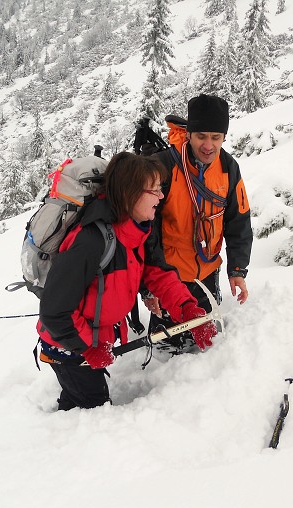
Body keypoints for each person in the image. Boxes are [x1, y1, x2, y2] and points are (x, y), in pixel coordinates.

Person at [36, 152, 217, 410]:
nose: (161, 196)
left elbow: (158, 275)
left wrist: (188, 309)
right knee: (93, 410)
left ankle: (61, 417)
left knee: (78, 404)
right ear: (131, 194)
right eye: (154, 189)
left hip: (90, 341)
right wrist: (87, 348)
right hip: (69, 347)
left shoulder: (137, 231)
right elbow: (54, 311)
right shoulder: (91, 242)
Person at [144, 94, 253, 354]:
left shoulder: (228, 167)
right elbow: (146, 233)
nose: (208, 145)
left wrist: (237, 269)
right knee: (167, 354)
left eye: (216, 137)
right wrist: (151, 287)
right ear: (189, 134)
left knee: (208, 347)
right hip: (169, 278)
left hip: (208, 273)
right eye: (201, 136)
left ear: (224, 137)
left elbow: (239, 219)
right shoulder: (163, 167)